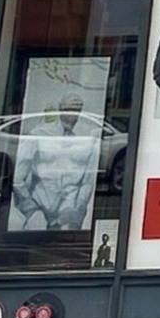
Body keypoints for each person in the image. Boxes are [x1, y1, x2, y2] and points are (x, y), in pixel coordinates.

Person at [9, 90, 97, 231]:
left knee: (66, 242)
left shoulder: (88, 138)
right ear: (60, 108)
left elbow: (88, 181)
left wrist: (77, 209)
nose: (72, 113)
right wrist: (30, 209)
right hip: (39, 206)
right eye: (68, 108)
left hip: (70, 211)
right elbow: (18, 178)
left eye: (76, 109)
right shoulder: (39, 134)